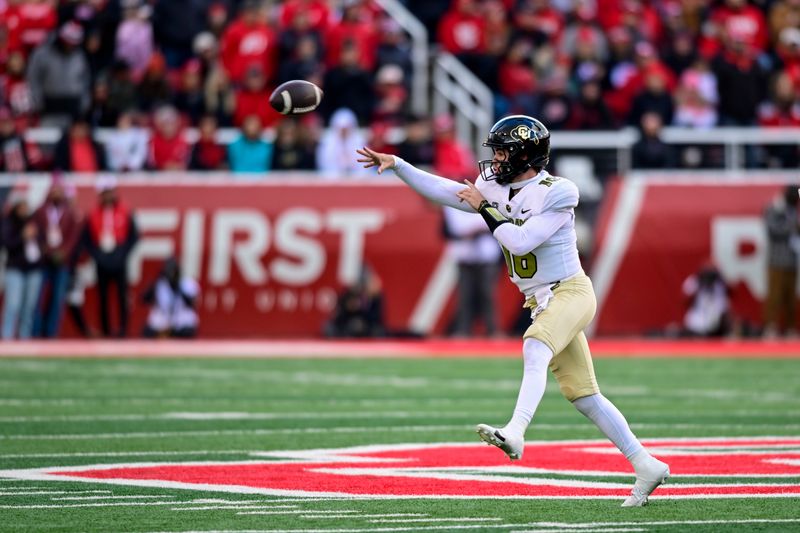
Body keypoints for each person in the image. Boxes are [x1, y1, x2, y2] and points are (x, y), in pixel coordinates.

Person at [356, 115, 670, 507]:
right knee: (583, 394)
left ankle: (517, 430)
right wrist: (399, 166)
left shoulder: (557, 191)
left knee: (535, 345)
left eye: (504, 151)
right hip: (541, 297)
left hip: (570, 291)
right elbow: (450, 191)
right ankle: (645, 463)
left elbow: (521, 242)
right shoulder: (494, 186)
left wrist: (485, 208)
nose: (497, 160)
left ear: (526, 155)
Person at [82, 176, 139, 338]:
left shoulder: (125, 210)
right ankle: (106, 330)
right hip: (102, 259)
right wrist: (98, 255)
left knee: (122, 297)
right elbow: (87, 240)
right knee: (102, 297)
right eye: (105, 193)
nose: (108, 196)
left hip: (119, 258)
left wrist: (122, 253)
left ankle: (123, 330)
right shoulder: (93, 213)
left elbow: (133, 237)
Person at [32, 178, 82, 338]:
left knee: (57, 299)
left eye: (59, 191)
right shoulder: (40, 211)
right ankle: (36, 332)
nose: (57, 194)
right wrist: (45, 250)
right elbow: (36, 233)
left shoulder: (69, 212)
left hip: (62, 261)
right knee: (37, 299)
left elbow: (73, 237)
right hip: (43, 261)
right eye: (54, 190)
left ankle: (51, 333)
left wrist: (64, 252)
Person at [1, 193, 44, 339]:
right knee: (13, 305)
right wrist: (22, 236)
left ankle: (24, 337)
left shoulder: (33, 222)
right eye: (22, 206)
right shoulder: (8, 223)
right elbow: (7, 244)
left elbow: (42, 243)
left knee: (29, 306)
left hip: (33, 268)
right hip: (15, 268)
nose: (24, 210)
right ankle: (6, 337)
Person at [763, 185, 800, 338]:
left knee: (791, 298)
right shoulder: (774, 209)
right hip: (776, 261)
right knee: (774, 297)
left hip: (791, 261)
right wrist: (792, 227)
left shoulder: (793, 211)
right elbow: (772, 230)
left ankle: (790, 328)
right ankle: (770, 328)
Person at [142, 257, 200, 338]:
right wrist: (156, 281)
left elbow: (192, 303)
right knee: (147, 331)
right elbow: (144, 299)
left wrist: (178, 287)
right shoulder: (160, 284)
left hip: (182, 324)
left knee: (186, 332)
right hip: (163, 324)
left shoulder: (188, 283)